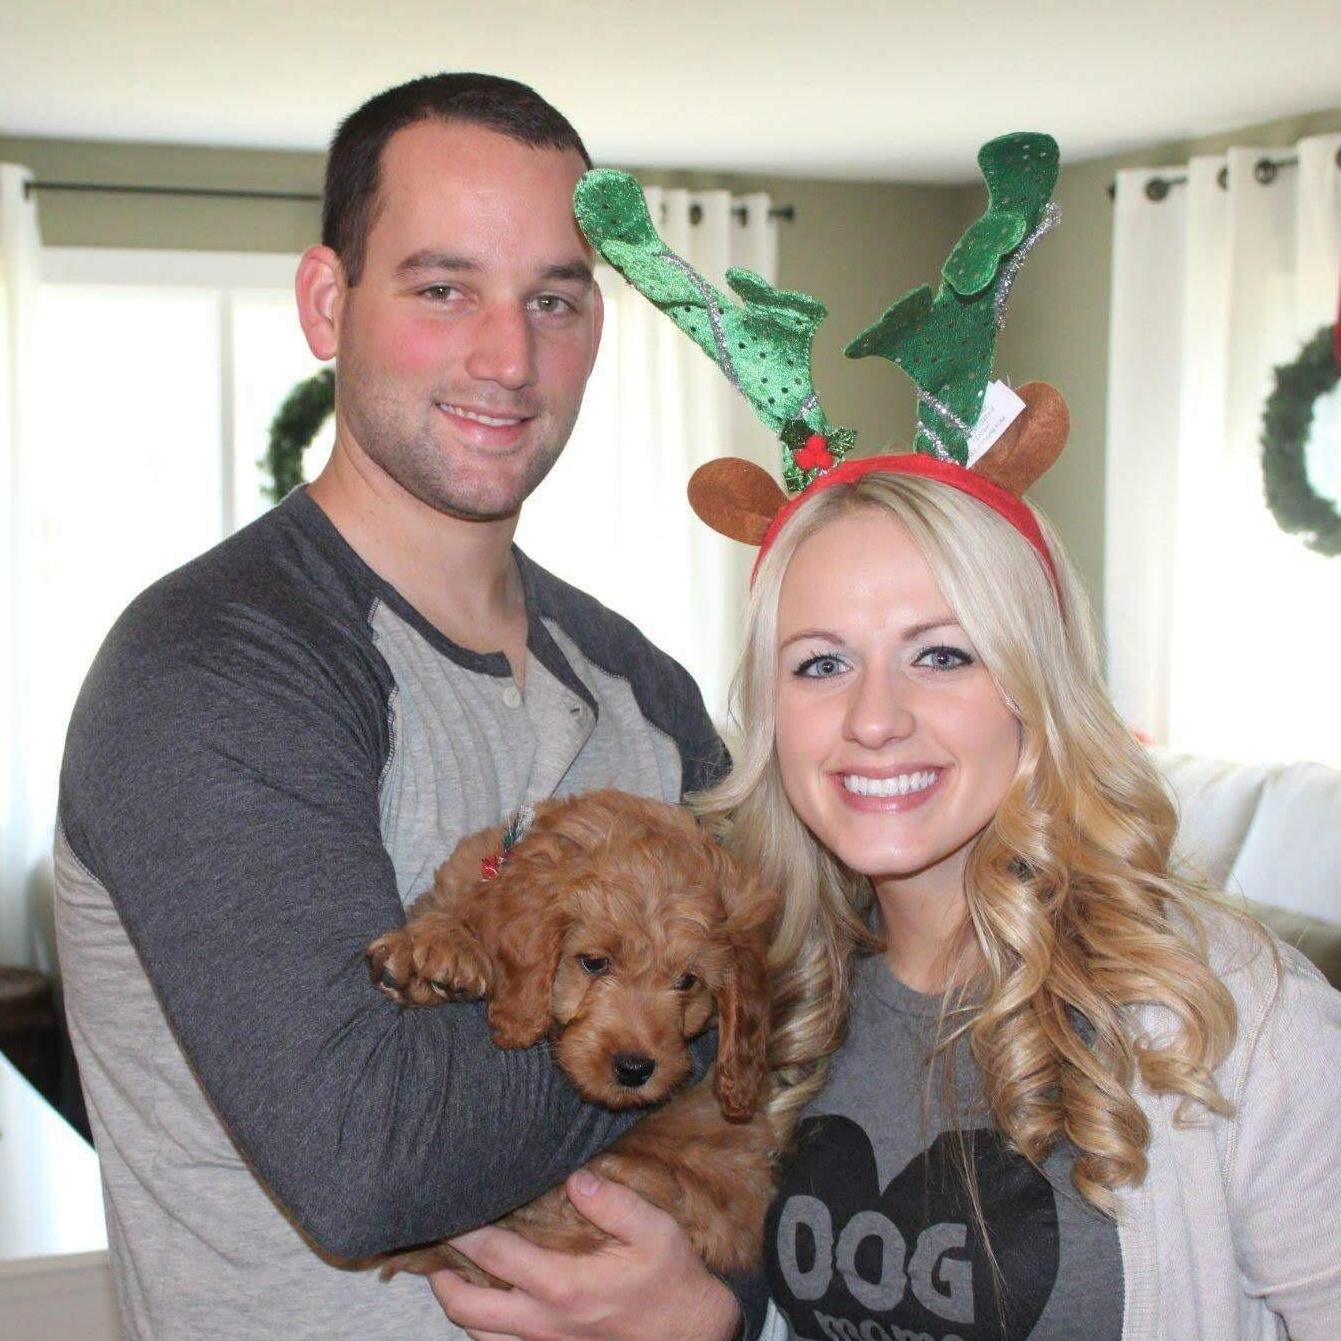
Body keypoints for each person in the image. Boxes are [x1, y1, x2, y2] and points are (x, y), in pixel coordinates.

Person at [53, 73, 745, 1341]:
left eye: (554, 299)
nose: (509, 356)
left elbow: (801, 1042)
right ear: (329, 304)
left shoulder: (645, 682)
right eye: (443, 289)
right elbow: (368, 1153)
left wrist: (722, 1305)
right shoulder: (212, 668)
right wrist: (696, 1007)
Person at [434, 460, 1341, 1340]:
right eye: (821, 665)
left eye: (940, 654)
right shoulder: (766, 986)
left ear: (1036, 688)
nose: (873, 718)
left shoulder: (1239, 1017)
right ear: (770, 713)